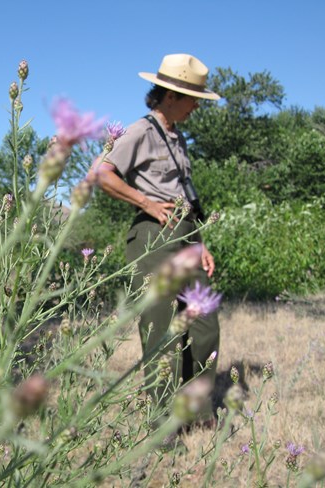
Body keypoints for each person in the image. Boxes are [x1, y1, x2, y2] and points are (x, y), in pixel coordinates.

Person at [92, 53, 221, 425]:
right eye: (193, 98)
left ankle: (196, 407)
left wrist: (200, 242)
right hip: (154, 236)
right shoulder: (141, 131)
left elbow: (187, 196)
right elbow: (103, 173)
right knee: (160, 327)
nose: (197, 105)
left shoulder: (177, 138)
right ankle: (161, 420)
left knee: (204, 323)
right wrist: (146, 202)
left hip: (187, 234)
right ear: (170, 96)